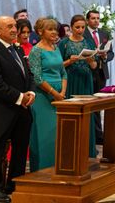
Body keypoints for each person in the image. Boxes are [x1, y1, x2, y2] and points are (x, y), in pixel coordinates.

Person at [0, 16, 35, 203]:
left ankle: (14, 183)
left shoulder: (16, 48)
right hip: (1, 110)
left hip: (22, 110)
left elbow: (28, 74)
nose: (15, 29)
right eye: (10, 27)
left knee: (20, 149)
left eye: (15, 26)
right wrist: (20, 97)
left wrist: (30, 92)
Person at [28, 18, 67, 171]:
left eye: (55, 29)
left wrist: (62, 92)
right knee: (45, 134)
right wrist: (54, 93)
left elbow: (63, 72)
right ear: (40, 32)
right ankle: (42, 171)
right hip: (44, 96)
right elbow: (37, 78)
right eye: (50, 29)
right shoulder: (36, 50)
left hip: (60, 94)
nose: (54, 32)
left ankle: (58, 168)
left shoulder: (55, 47)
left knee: (59, 133)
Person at [58, 15, 97, 158]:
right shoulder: (64, 43)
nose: (80, 30)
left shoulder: (89, 42)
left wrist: (91, 61)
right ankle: (69, 150)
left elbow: (94, 66)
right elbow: (58, 65)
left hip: (85, 81)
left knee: (86, 114)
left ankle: (86, 149)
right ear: (71, 27)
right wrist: (69, 60)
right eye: (77, 27)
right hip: (69, 81)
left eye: (82, 27)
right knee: (70, 115)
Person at [84, 9, 114, 144]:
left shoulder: (104, 34)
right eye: (93, 18)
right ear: (87, 20)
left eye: (98, 18)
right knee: (89, 104)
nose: (96, 21)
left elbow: (112, 53)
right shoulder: (83, 33)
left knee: (98, 104)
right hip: (89, 71)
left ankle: (98, 134)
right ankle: (96, 135)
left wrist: (106, 56)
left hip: (101, 72)